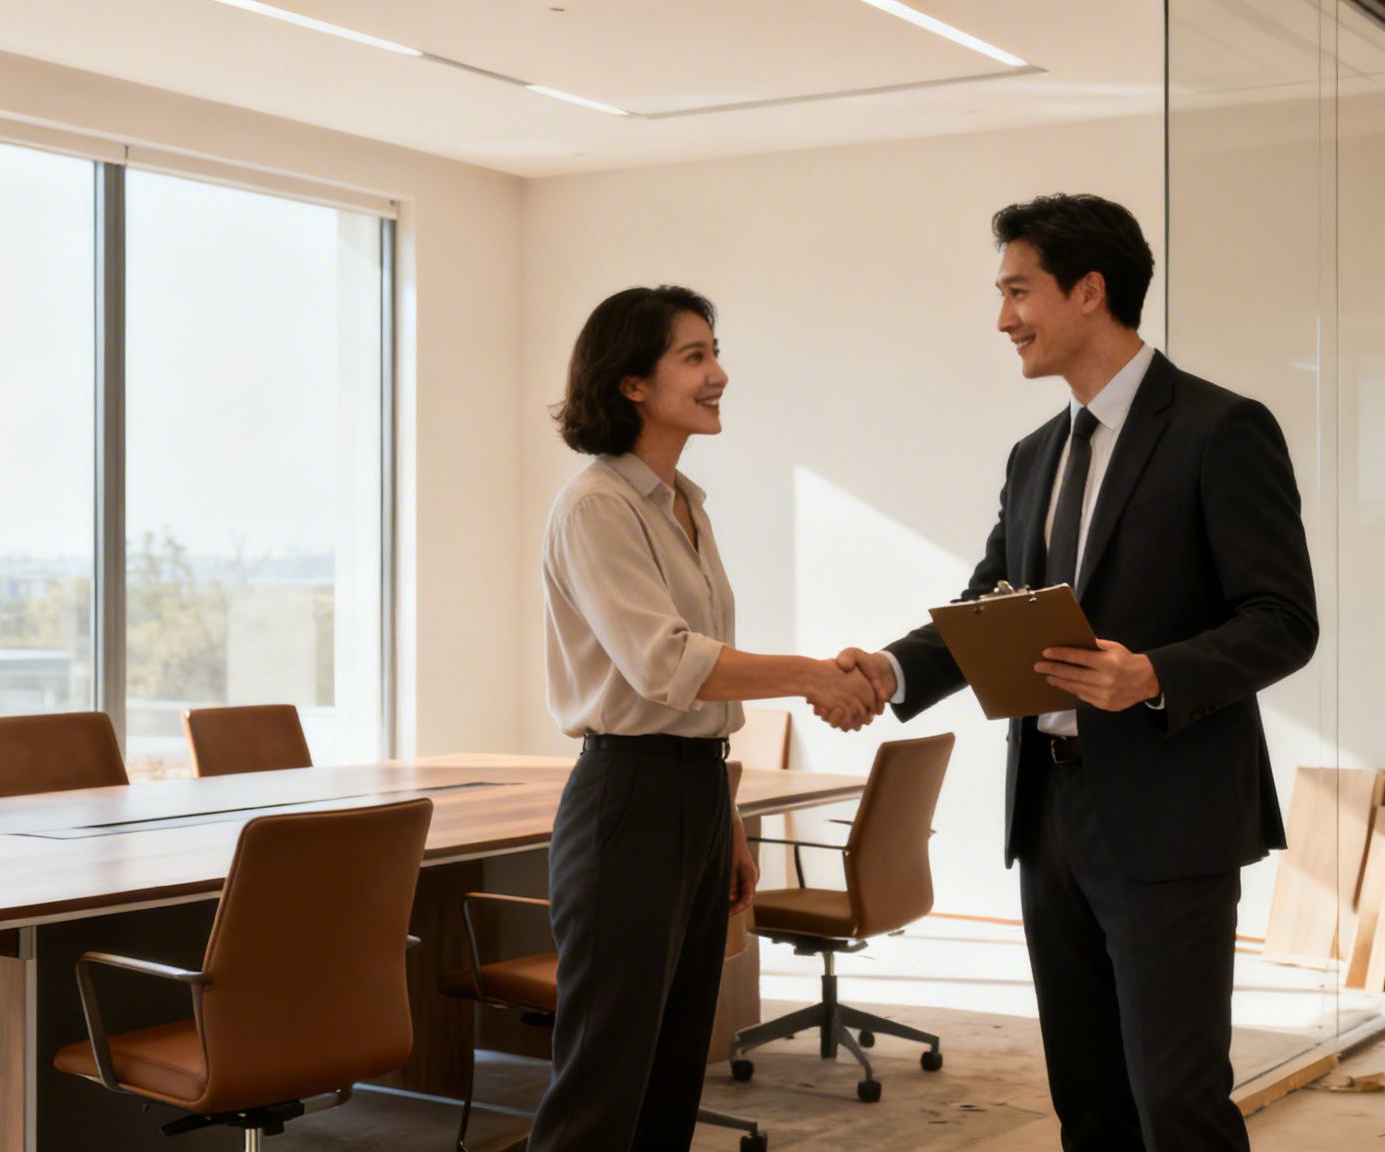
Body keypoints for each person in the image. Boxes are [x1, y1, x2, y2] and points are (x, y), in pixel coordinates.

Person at [839, 194, 1318, 1150]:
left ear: (1090, 291)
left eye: (1018, 291)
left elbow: (1284, 622)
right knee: (1087, 1102)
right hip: (1050, 815)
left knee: (1177, 1103)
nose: (1003, 318)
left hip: (1170, 813)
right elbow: (988, 610)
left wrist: (1154, 674)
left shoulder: (1222, 430)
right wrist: (890, 670)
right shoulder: (1034, 457)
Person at [530, 285, 877, 1151]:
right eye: (694, 356)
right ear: (631, 384)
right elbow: (666, 662)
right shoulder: (596, 506)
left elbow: (698, 696)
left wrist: (723, 816)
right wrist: (811, 676)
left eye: (714, 351)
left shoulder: (686, 504)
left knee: (674, 1073)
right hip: (625, 797)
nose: (719, 373)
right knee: (602, 1088)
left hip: (686, 792)